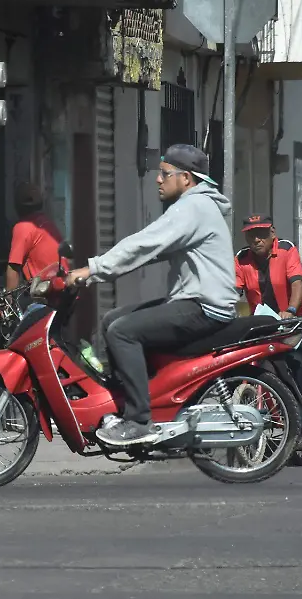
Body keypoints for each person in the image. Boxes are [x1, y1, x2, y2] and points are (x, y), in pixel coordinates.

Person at [66, 144, 238, 446]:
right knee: (111, 319)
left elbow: (145, 243)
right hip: (194, 301)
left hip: (205, 307)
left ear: (186, 178)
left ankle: (139, 420)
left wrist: (92, 269)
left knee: (122, 332)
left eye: (165, 174)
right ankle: (125, 401)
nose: (158, 180)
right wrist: (100, 273)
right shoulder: (196, 206)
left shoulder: (193, 207)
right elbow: (151, 252)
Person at [234, 214, 302, 456]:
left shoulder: (286, 249)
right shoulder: (241, 259)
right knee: (243, 365)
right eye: (251, 235)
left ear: (272, 233)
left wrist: (290, 310)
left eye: (261, 234)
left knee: (295, 365)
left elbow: (297, 283)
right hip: (264, 327)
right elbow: (233, 292)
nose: (256, 239)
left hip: (297, 322)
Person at [0, 182, 63, 321]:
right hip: (59, 293)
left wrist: (7, 304)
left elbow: (13, 267)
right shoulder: (47, 224)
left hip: (44, 295)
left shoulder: (23, 226)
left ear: (17, 206)